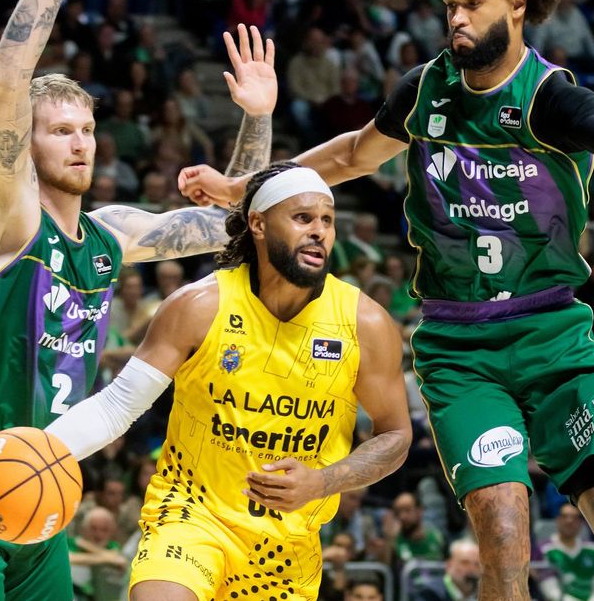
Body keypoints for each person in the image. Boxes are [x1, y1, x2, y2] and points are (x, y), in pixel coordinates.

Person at [180, 0, 594, 597]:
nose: (456, 16)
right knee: (504, 540)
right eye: (449, 4)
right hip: (460, 347)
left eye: (472, 3)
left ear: (517, 4)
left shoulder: (548, 96)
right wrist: (255, 186)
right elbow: (356, 153)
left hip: (553, 339)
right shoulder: (426, 90)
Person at [0, 0, 278, 598]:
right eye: (58, 130)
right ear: (27, 143)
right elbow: (8, 85)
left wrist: (257, 118)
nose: (79, 142)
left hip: (44, 477)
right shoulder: (6, 223)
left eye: (87, 128)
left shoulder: (112, 234)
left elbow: (237, 226)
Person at [35, 163, 413, 600]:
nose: (319, 231)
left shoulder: (365, 323)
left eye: (327, 221)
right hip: (190, 514)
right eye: (303, 218)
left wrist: (323, 481)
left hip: (285, 548)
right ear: (257, 223)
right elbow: (116, 405)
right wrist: (36, 454)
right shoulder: (197, 306)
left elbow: (396, 435)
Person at [538, 504, 594, 601]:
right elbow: (550, 590)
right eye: (565, 516)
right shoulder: (544, 549)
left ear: (581, 523)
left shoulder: (593, 550)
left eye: (574, 517)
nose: (569, 521)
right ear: (557, 520)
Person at [416, 539, 481, 601]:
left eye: (477, 564)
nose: (471, 569)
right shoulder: (430, 593)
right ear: (449, 565)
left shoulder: (482, 594)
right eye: (464, 563)